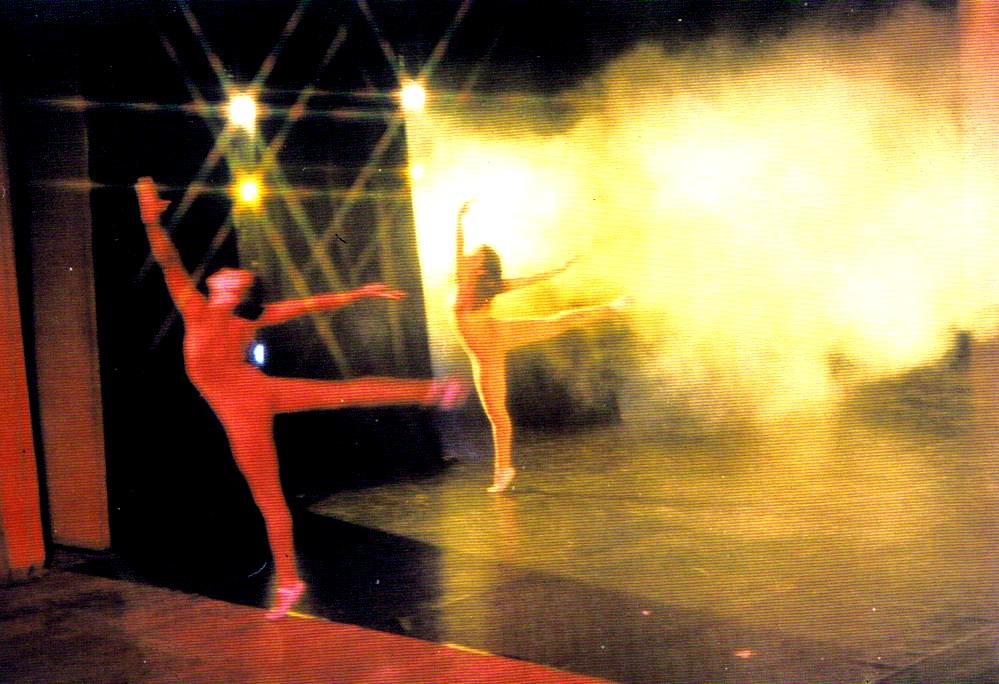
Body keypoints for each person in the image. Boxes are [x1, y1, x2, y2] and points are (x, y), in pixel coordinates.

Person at [135, 177, 466, 618]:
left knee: (329, 419)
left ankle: (431, 390)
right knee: (276, 491)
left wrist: (151, 220)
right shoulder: (219, 312)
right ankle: (290, 581)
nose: (227, 271)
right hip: (252, 400)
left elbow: (172, 262)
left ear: (234, 290)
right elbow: (169, 260)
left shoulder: (204, 310)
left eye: (234, 274)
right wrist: (150, 220)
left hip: (249, 403)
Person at [453, 202, 624, 493]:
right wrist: (459, 220)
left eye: (474, 256)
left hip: (498, 336)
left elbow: (529, 280)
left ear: (480, 267)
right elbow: (457, 249)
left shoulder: (490, 286)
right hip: (484, 356)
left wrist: (560, 269)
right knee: (497, 417)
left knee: (558, 322)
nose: (467, 256)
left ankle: (612, 307)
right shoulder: (462, 280)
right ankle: (504, 470)